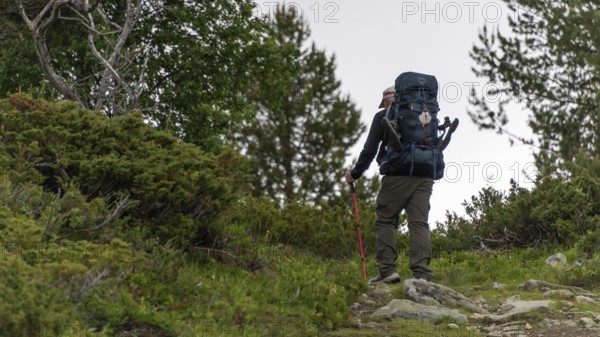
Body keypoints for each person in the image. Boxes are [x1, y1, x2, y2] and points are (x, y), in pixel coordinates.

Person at [345, 85, 434, 285]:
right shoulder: (425, 113)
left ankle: (387, 271)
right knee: (419, 223)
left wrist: (355, 173)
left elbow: (369, 150)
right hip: (425, 174)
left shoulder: (383, 116)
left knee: (385, 219)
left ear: (386, 100)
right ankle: (421, 273)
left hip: (397, 175)